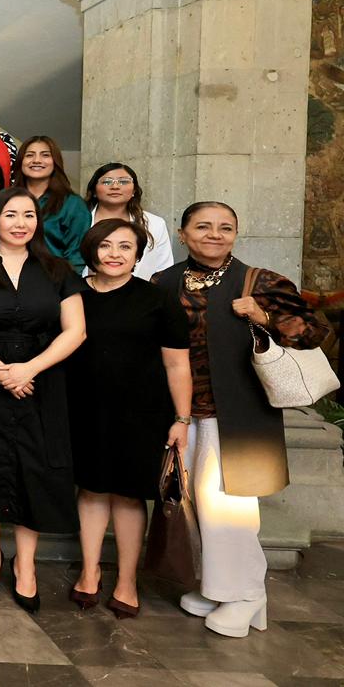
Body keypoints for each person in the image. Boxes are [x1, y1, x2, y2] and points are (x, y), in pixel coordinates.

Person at [154, 202, 329, 637]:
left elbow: (314, 333)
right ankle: (220, 588)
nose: (214, 234)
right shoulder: (165, 281)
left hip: (238, 411)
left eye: (225, 227)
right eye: (203, 226)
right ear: (182, 233)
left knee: (228, 506)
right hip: (183, 410)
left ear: (235, 234)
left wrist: (262, 316)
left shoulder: (260, 281)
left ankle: (247, 596)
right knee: (195, 503)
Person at [0, 188, 86, 614]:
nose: (20, 222)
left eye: (29, 215)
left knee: (34, 468)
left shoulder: (57, 269)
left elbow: (76, 330)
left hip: (43, 379)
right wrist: (1, 371)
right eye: (10, 214)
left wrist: (29, 369)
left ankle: (25, 563)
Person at [68, 218, 192, 618]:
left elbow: (177, 364)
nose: (114, 254)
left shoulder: (157, 299)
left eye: (125, 247)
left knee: (128, 494)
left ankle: (126, 580)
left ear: (137, 255)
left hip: (141, 412)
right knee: (90, 490)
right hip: (84, 408)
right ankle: (89, 572)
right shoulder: (72, 295)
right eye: (105, 245)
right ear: (91, 250)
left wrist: (182, 419)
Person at [85, 162, 174, 279]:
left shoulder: (155, 224)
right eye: (107, 182)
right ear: (94, 191)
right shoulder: (77, 221)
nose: (115, 186)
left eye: (123, 181)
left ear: (134, 191)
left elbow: (164, 270)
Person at [13, 136, 89, 272]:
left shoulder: (72, 204)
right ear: (20, 161)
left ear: (55, 161)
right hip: (9, 277)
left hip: (55, 278)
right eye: (29, 155)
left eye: (45, 155)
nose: (37, 160)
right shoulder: (7, 200)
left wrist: (65, 281)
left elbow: (77, 254)